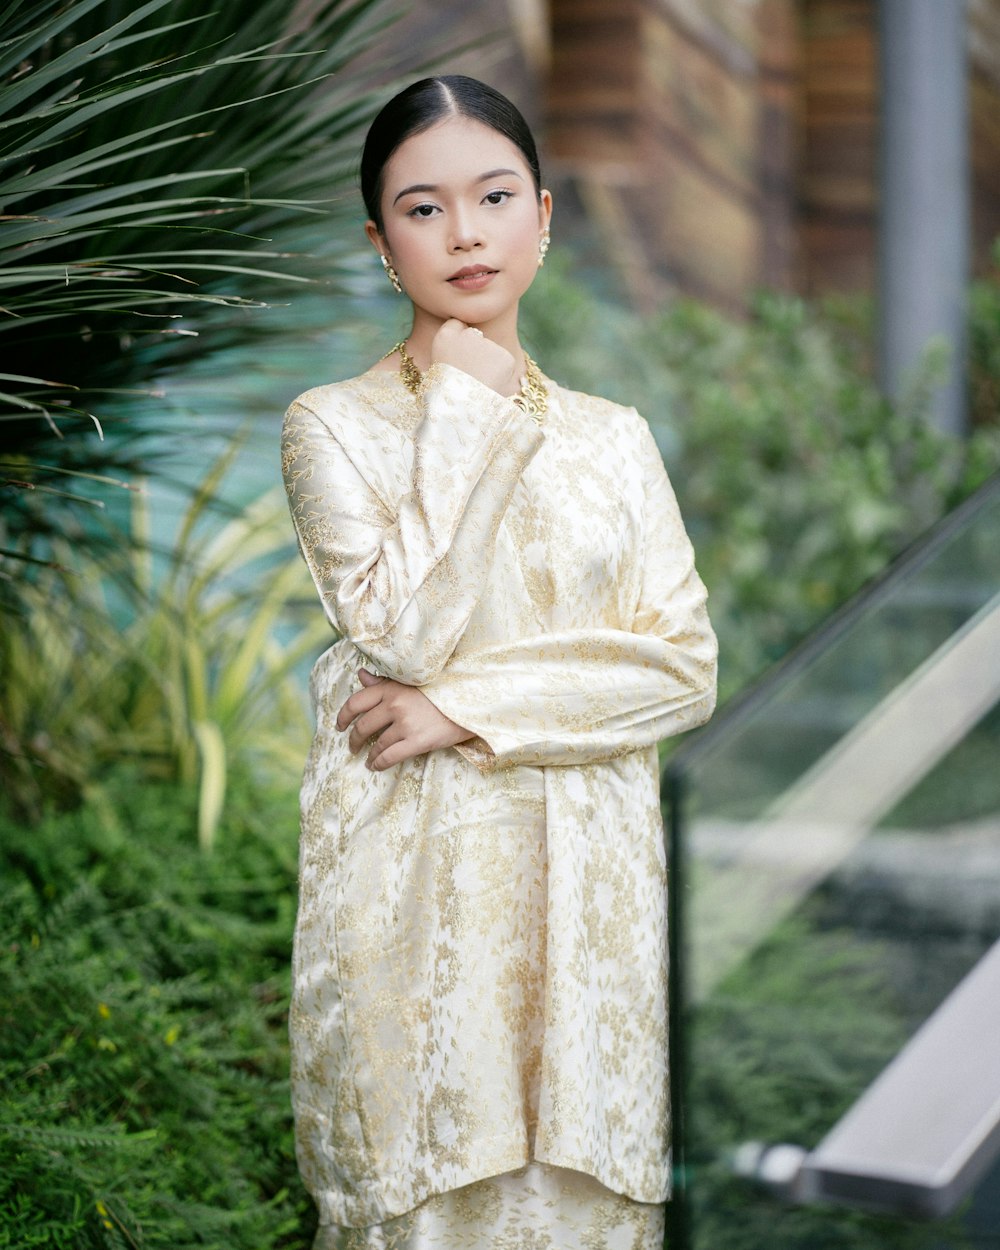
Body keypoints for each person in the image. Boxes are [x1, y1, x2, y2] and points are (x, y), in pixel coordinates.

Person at [280, 74, 717, 1249]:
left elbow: (681, 667)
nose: (464, 232)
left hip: (591, 919)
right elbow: (402, 634)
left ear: (545, 215)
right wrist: (461, 413)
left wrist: (462, 709)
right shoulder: (333, 424)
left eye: (494, 195)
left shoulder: (613, 440)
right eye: (422, 209)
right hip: (417, 913)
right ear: (380, 242)